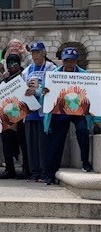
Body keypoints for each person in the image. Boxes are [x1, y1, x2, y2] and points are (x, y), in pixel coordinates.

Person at [43, 47, 94, 184]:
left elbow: (92, 95)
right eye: (67, 61)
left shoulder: (84, 75)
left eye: (72, 61)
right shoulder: (54, 75)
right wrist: (45, 91)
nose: (69, 64)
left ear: (76, 61)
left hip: (78, 111)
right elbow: (43, 95)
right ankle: (50, 174)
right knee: (57, 142)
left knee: (83, 131)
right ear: (62, 61)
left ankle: (85, 162)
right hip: (60, 112)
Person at [21, 41, 55, 182]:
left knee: (43, 145)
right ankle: (34, 172)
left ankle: (44, 172)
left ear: (44, 53)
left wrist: (38, 91)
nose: (35, 55)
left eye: (38, 52)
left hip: (43, 112)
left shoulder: (51, 68)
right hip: (30, 113)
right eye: (33, 52)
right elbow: (21, 90)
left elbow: (52, 89)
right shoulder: (26, 71)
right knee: (31, 145)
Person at [0, 54, 30, 180]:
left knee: (23, 143)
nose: (12, 66)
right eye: (9, 64)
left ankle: (26, 168)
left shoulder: (24, 76)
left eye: (14, 63)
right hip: (7, 117)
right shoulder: (3, 81)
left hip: (21, 115)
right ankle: (9, 169)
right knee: (6, 143)